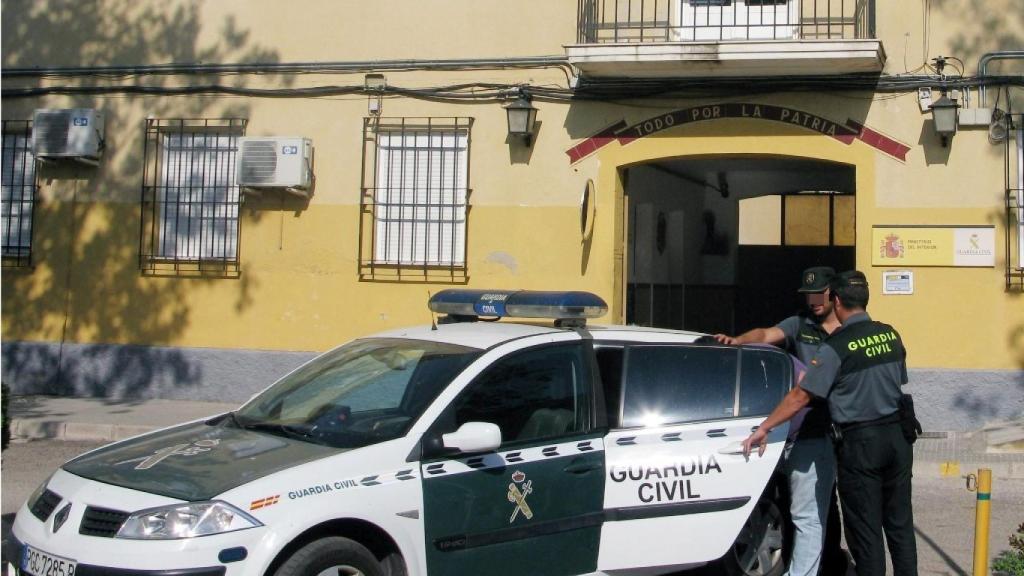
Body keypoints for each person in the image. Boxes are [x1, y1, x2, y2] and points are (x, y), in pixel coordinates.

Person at [741, 271, 918, 576]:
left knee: (866, 532)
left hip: (861, 444)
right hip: (898, 439)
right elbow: (898, 380)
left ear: (836, 301)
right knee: (899, 524)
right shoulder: (891, 335)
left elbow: (800, 396)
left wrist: (765, 427)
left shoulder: (837, 345)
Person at [715, 266, 845, 576]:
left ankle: (832, 563)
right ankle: (808, 563)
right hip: (803, 426)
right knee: (799, 504)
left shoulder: (847, 330)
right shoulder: (800, 324)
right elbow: (765, 335)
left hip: (839, 424)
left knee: (828, 505)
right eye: (808, 295)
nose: (813, 301)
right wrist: (738, 340)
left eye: (819, 294)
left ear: (834, 294)